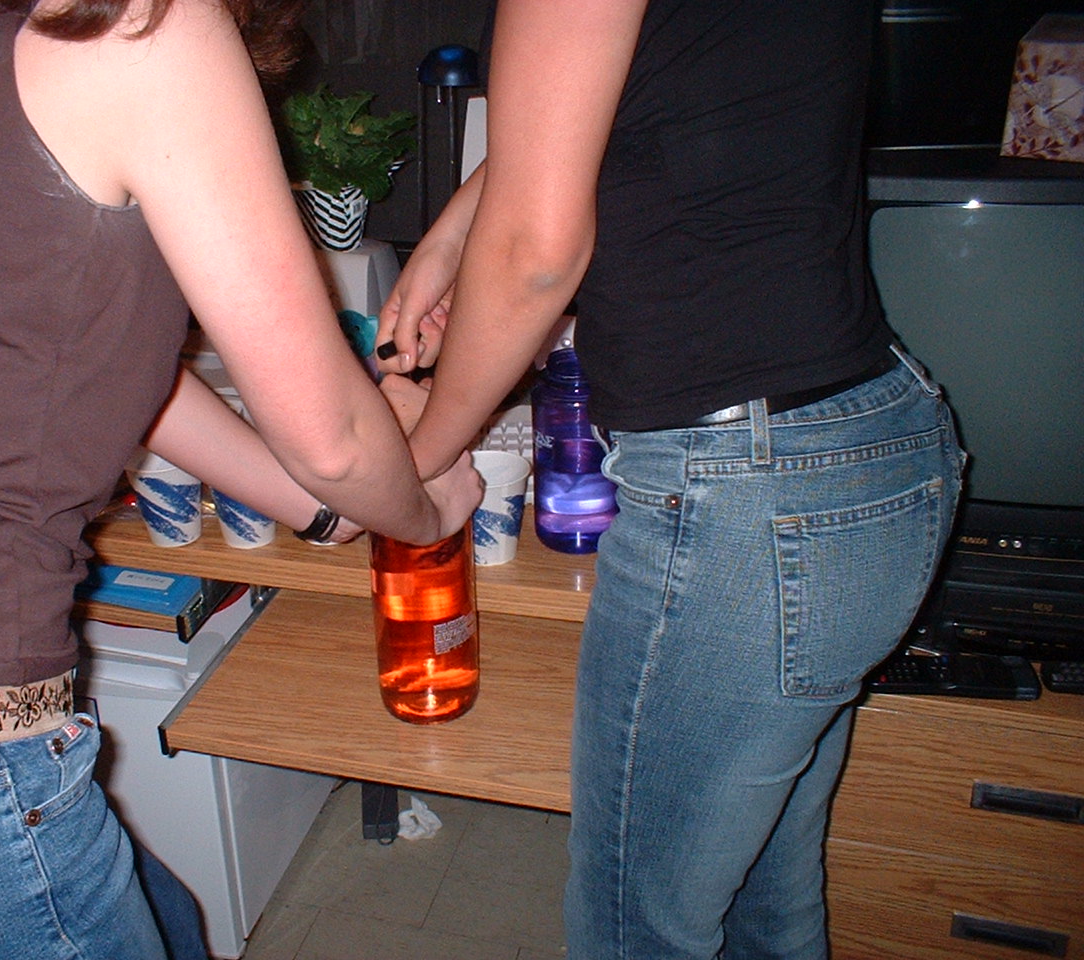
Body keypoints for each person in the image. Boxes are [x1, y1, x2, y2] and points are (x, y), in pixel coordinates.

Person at [0, 0, 481, 956]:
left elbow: (77, 348)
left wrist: (325, 515)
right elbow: (333, 438)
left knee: (169, 922)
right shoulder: (141, 22)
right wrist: (421, 511)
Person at [376, 1, 966, 957]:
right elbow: (646, 89)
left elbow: (535, 256)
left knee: (635, 930)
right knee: (767, 907)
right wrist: (450, 238)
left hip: (751, 494)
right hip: (872, 443)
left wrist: (428, 451)